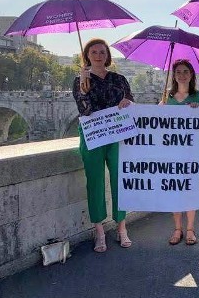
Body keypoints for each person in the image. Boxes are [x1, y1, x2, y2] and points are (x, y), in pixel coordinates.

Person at [72, 38, 134, 253]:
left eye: (102, 52)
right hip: (93, 135)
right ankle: (99, 230)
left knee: (120, 180)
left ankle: (121, 227)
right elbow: (84, 110)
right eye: (94, 52)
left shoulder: (119, 79)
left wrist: (127, 103)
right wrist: (83, 85)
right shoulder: (80, 80)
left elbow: (130, 102)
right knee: (95, 181)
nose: (98, 55)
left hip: (116, 134)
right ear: (87, 55)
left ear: (107, 56)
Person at [160, 59, 199, 246]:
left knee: (189, 190)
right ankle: (177, 229)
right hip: (172, 152)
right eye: (178, 71)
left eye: (185, 71)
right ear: (174, 75)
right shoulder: (167, 99)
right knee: (175, 192)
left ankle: (190, 229)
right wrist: (159, 111)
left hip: (193, 152)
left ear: (191, 75)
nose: (182, 75)